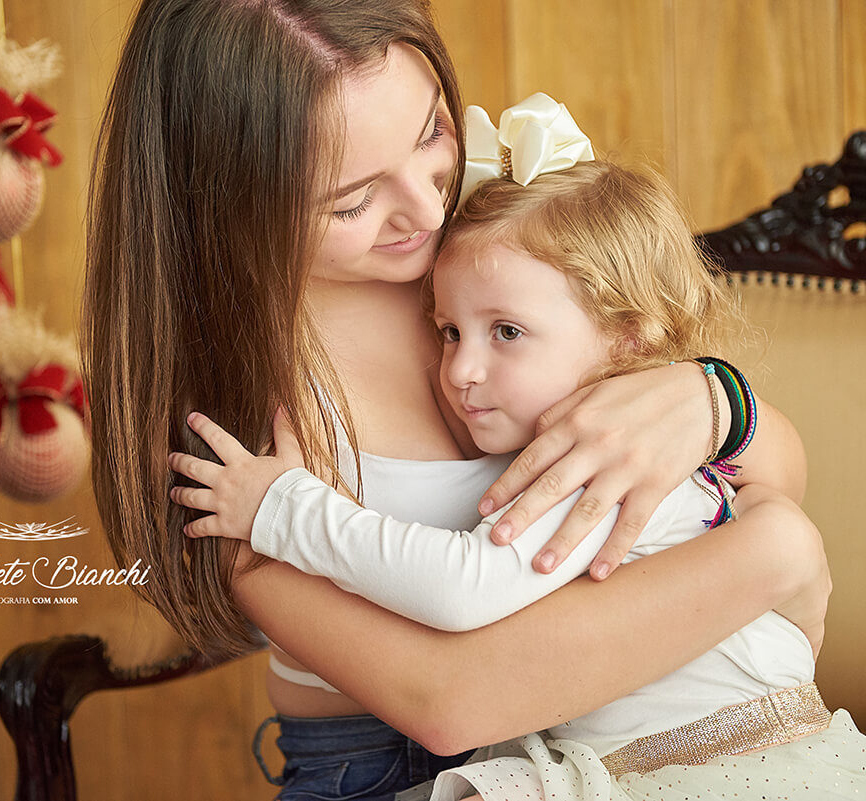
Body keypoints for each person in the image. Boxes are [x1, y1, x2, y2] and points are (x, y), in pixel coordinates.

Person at [83, 2, 827, 799]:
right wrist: (771, 554)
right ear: (227, 198)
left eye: (431, 133)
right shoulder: (226, 399)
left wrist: (711, 401)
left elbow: (770, 471)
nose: (429, 209)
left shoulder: (486, 251)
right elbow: (450, 703)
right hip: (383, 766)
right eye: (352, 201)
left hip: (606, 735)